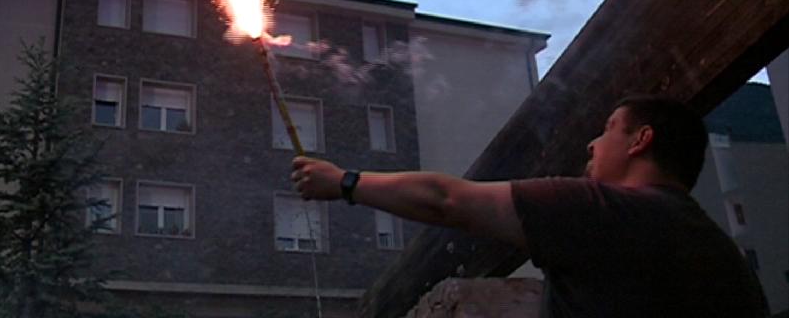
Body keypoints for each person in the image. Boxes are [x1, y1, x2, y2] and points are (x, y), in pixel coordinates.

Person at [291, 95, 768, 317]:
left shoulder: (602, 211)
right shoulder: (727, 261)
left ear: (642, 140)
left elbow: (447, 200)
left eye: (608, 127)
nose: (592, 142)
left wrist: (344, 182)